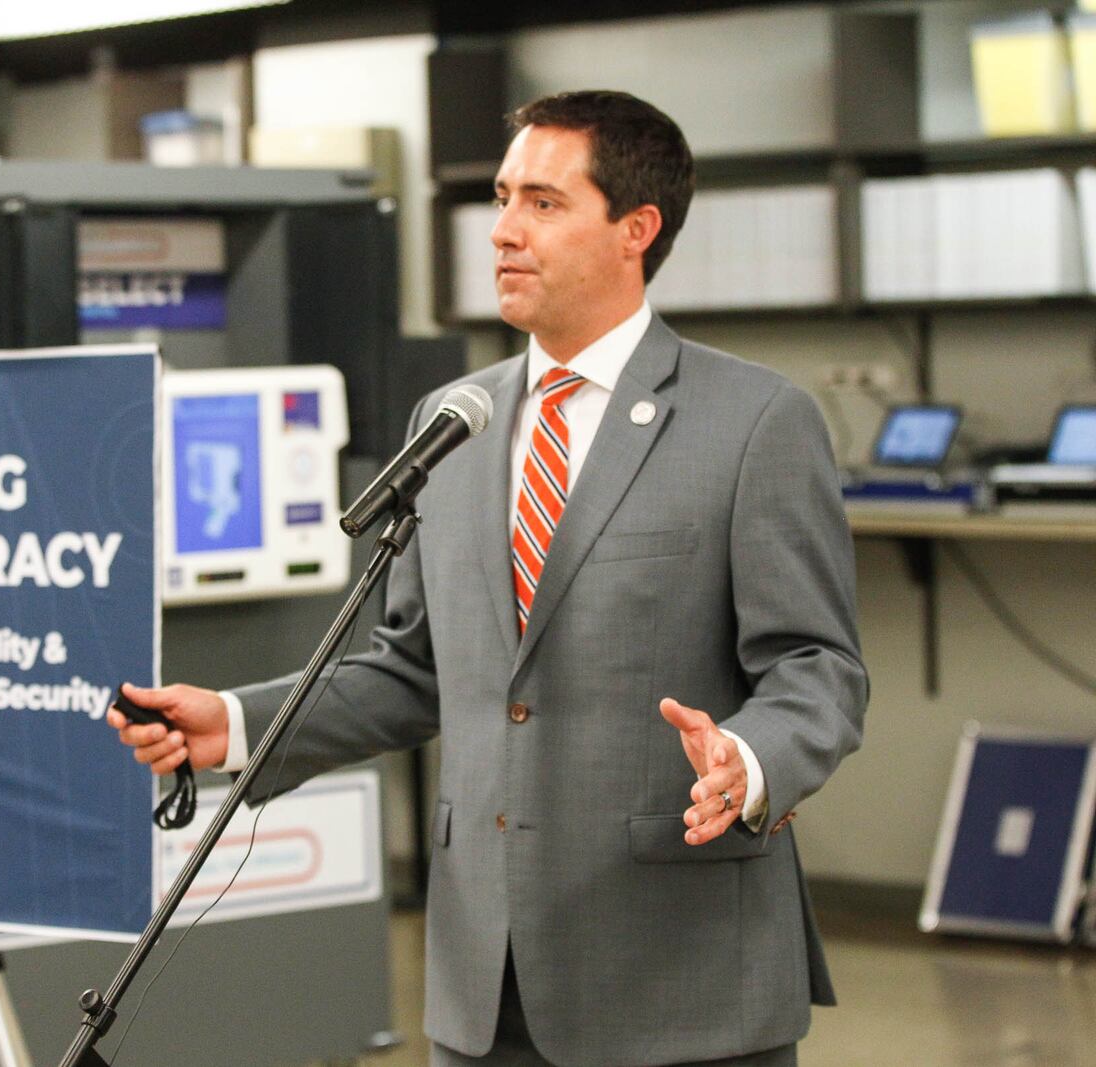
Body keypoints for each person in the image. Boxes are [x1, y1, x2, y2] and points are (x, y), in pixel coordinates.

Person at [108, 90, 867, 1067]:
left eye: (543, 203)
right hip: (482, 980)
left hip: (681, 983)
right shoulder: (454, 422)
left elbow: (817, 665)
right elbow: (416, 667)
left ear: (635, 228)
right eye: (503, 197)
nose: (502, 230)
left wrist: (751, 759)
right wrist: (240, 723)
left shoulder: (755, 420)